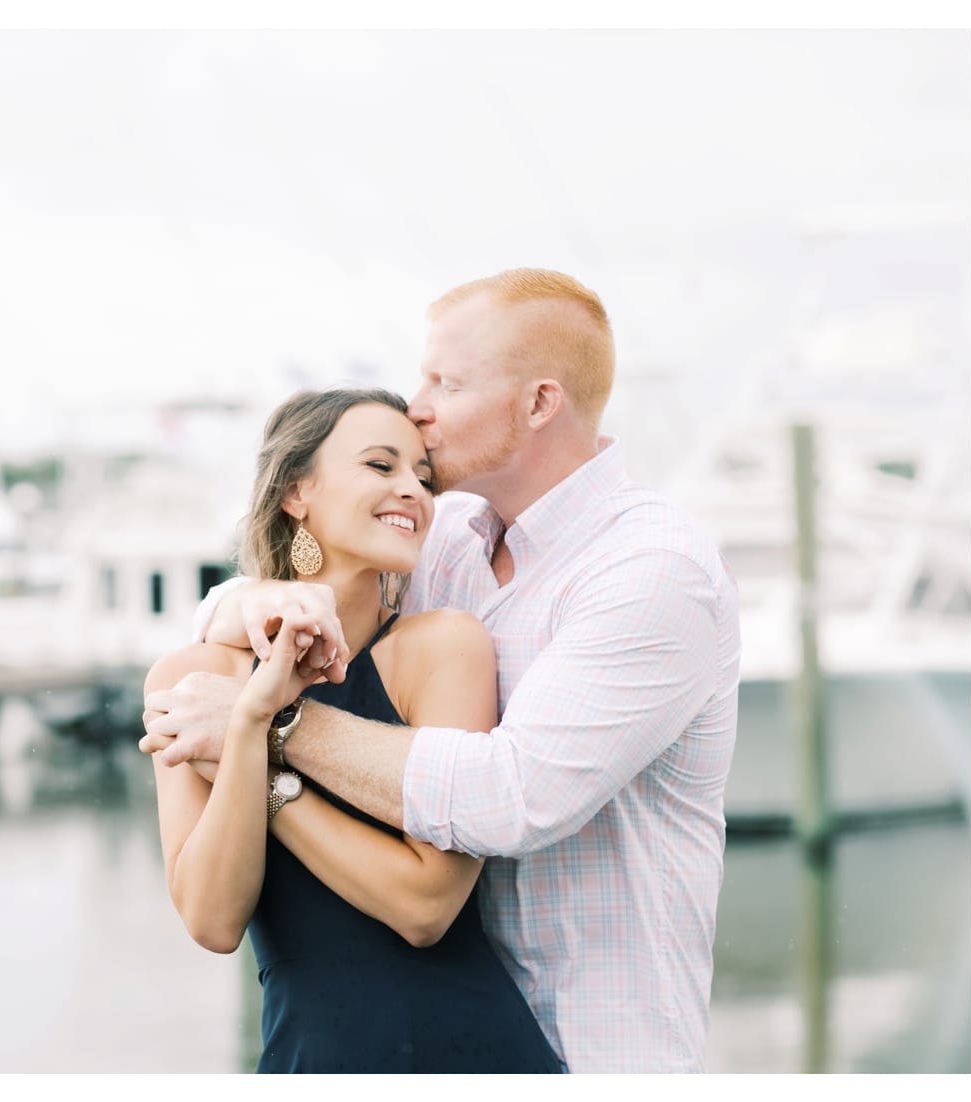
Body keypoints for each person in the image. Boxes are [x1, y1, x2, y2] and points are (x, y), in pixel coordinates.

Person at [141, 268, 742, 1073]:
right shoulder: (449, 541)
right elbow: (297, 593)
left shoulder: (649, 569)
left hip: (598, 1055)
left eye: (445, 382)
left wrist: (265, 729)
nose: (417, 404)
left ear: (538, 403)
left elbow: (510, 797)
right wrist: (241, 604)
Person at [144, 386, 563, 1074]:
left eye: (422, 477)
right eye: (380, 465)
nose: (414, 492)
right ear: (295, 492)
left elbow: (426, 907)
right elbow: (213, 921)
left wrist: (262, 758)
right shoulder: (193, 680)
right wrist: (248, 718)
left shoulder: (445, 648)